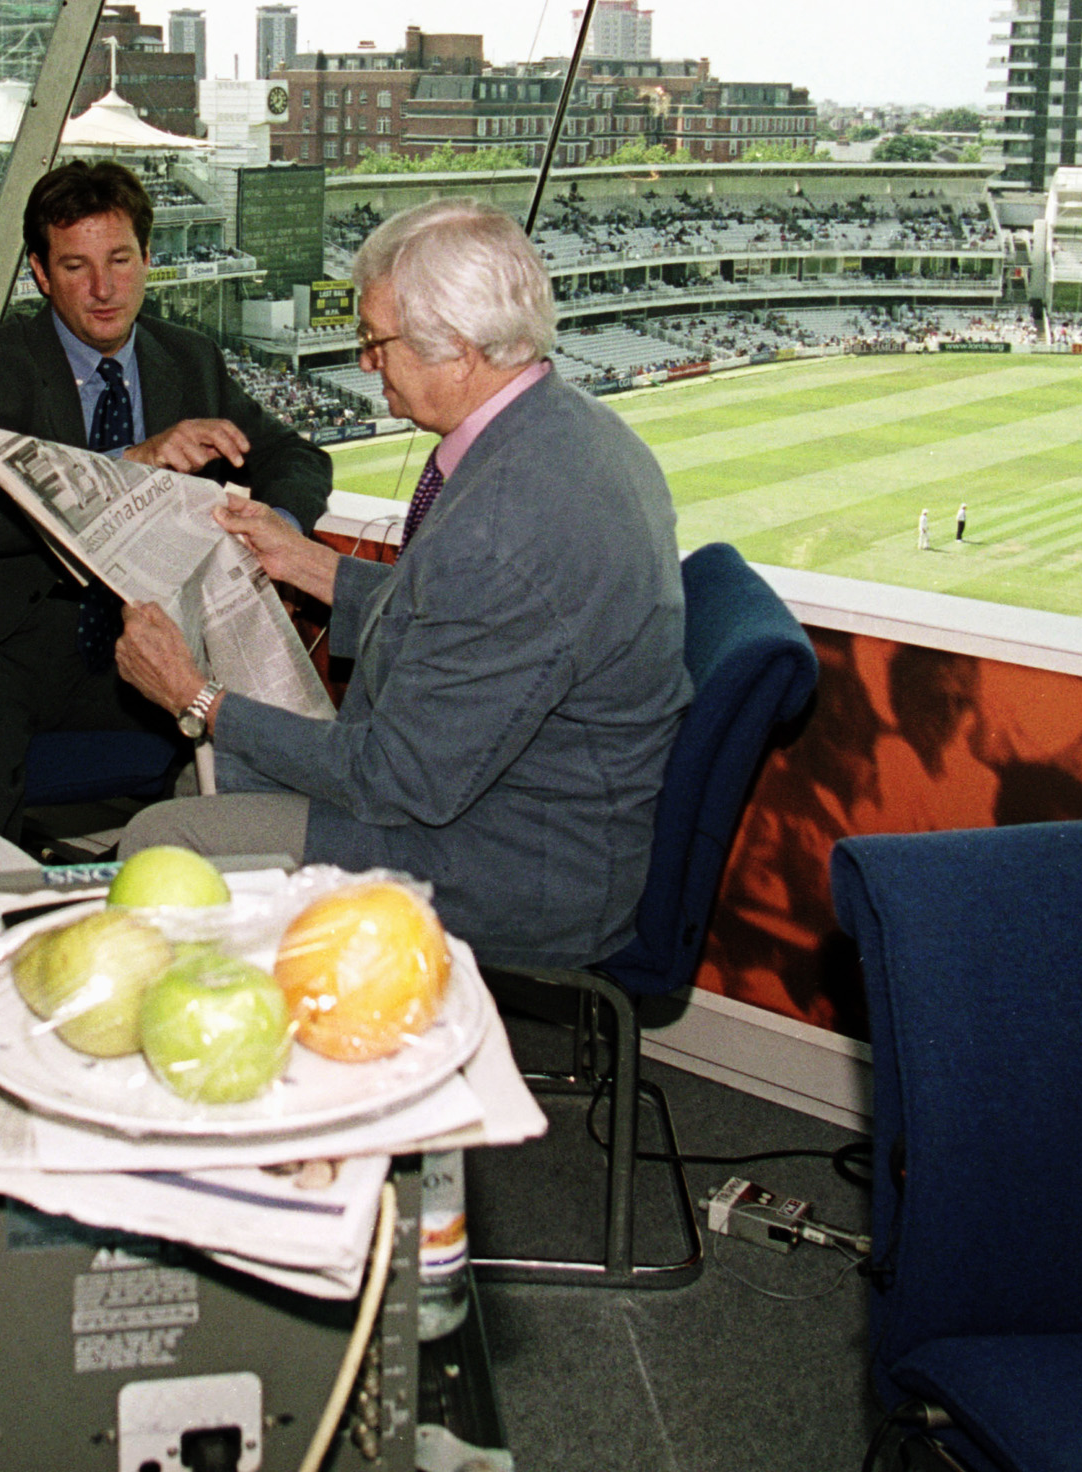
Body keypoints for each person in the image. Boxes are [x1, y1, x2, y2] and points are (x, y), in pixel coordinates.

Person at [114, 201, 687, 966]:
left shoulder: (506, 523)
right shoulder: (564, 428)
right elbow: (460, 615)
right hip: (519, 806)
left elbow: (396, 780)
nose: (363, 363)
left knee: (164, 838)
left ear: (454, 348)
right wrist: (308, 563)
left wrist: (195, 697)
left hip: (521, 865)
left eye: (374, 341)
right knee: (213, 780)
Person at [0, 161, 330, 842]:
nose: (104, 290)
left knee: (262, 746)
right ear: (42, 275)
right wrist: (134, 462)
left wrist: (273, 539)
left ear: (146, 258)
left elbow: (296, 456)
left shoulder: (188, 359)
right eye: (75, 266)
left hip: (118, 660)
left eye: (120, 260)